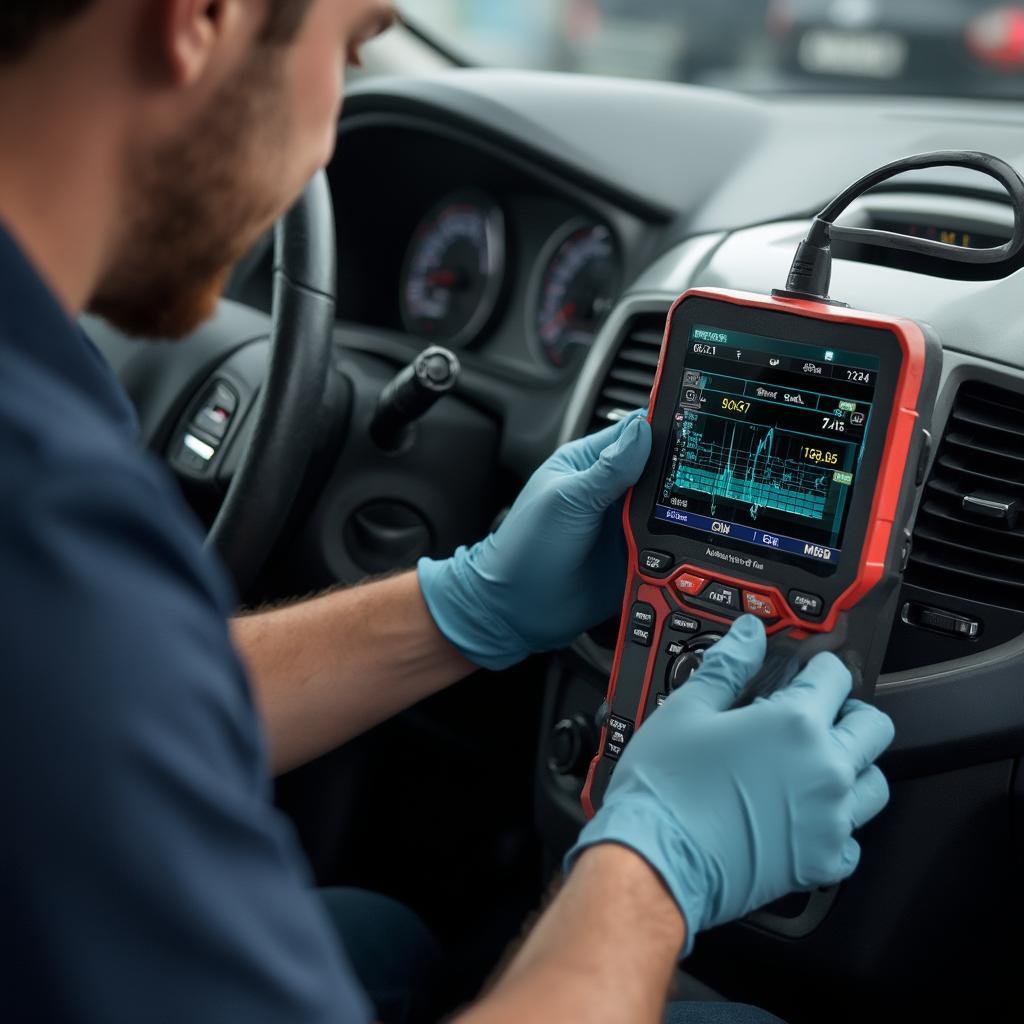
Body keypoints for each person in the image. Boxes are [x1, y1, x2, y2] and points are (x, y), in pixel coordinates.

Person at [0, 2, 896, 1022]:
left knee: (379, 939)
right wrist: (656, 866)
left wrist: (459, 605)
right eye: (347, 50)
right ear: (203, 17)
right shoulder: (43, 520)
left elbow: (111, 712)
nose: (329, 133)